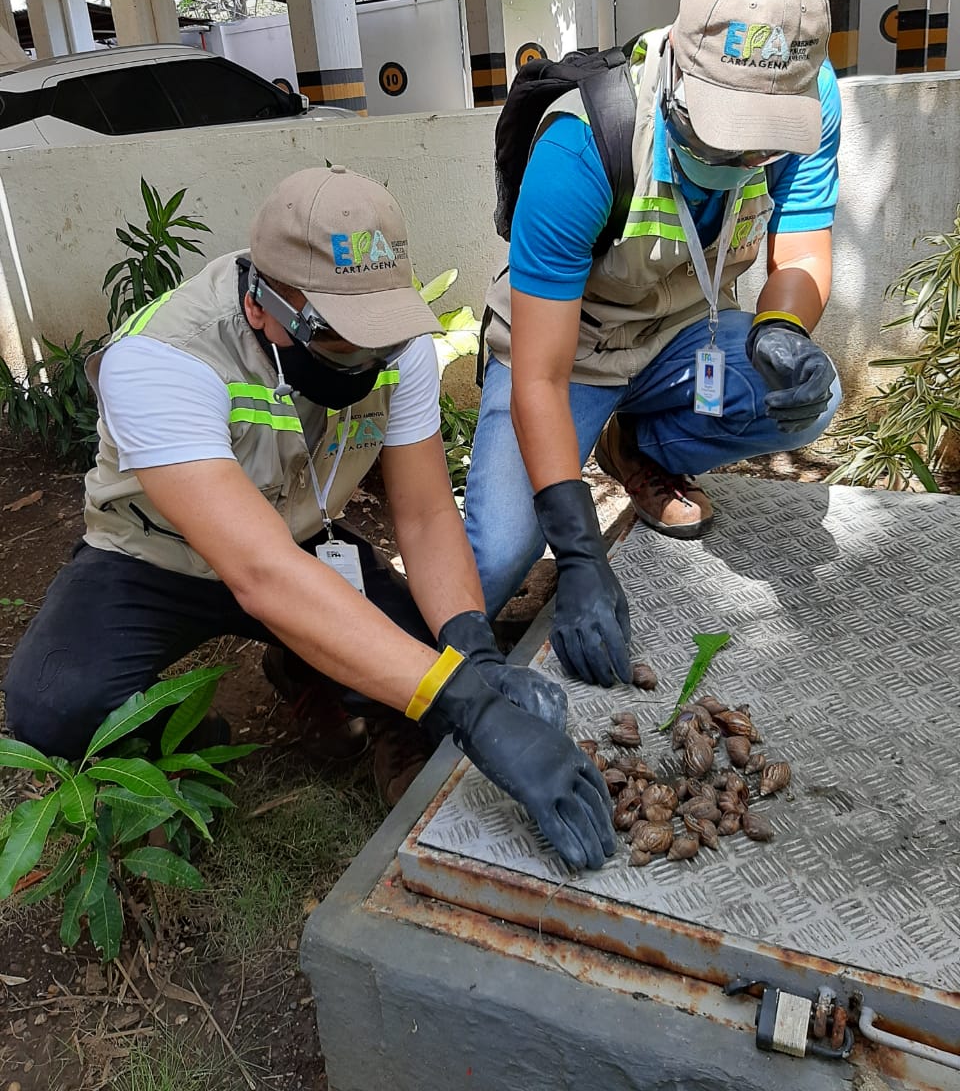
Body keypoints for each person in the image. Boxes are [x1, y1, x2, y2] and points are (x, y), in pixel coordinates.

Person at [2, 166, 615, 872]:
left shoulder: (398, 337)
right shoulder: (163, 361)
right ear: (262, 306)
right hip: (153, 557)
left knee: (431, 647)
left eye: (376, 336)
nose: (363, 356)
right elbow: (260, 572)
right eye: (335, 337)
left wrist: (473, 658)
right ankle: (177, 737)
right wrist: (471, 707)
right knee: (53, 701)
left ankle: (317, 674)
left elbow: (420, 513)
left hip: (301, 538)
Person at [465, 0, 843, 687]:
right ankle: (393, 684)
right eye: (724, 129)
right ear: (677, 66)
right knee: (499, 555)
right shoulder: (582, 145)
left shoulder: (812, 98)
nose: (744, 158)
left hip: (682, 337)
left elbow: (802, 244)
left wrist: (783, 331)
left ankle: (637, 448)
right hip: (568, 353)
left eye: (764, 137)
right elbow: (538, 376)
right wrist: (576, 554)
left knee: (810, 394)